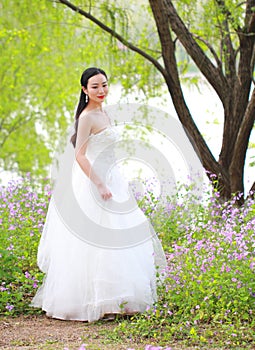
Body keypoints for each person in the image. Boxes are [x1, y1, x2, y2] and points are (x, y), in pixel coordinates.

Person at [31, 67, 166, 322]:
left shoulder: (105, 113)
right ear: (84, 90)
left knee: (120, 239)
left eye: (104, 85)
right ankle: (93, 301)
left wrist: (117, 178)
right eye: (95, 87)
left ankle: (120, 299)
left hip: (114, 179)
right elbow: (80, 155)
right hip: (92, 182)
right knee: (95, 241)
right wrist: (100, 184)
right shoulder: (87, 117)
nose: (101, 90)